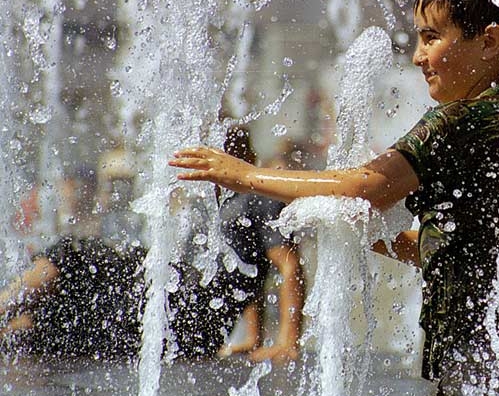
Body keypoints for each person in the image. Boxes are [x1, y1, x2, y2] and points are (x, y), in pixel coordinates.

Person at [170, 0, 499, 396]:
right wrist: (373, 238)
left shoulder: (463, 121)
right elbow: (463, 249)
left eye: (432, 37)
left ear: (489, 42)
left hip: (493, 358)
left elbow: (366, 185)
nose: (417, 56)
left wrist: (240, 174)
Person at [0, 127, 301, 364]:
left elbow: (289, 266)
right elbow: (247, 271)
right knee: (66, 313)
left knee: (72, 255)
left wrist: (287, 342)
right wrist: (255, 336)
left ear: (240, 154)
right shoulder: (218, 204)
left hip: (183, 314)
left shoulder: (257, 197)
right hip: (177, 309)